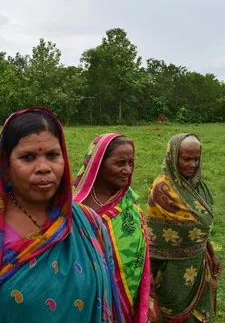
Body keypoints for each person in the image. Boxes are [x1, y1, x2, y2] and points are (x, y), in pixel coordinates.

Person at [0, 108, 122, 323]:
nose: (43, 168)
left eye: (53, 155)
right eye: (28, 157)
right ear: (5, 166)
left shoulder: (89, 223)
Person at [73, 133, 150, 323]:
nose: (128, 170)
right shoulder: (76, 211)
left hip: (128, 300)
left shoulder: (129, 203)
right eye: (120, 163)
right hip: (88, 300)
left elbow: (142, 254)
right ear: (98, 165)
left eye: (131, 163)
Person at [147, 134, 221, 323]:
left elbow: (200, 229)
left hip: (198, 261)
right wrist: (148, 274)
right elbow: (155, 237)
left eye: (196, 159)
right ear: (173, 156)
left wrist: (210, 252)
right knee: (173, 314)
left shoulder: (198, 186)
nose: (192, 164)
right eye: (186, 159)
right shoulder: (162, 188)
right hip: (171, 268)